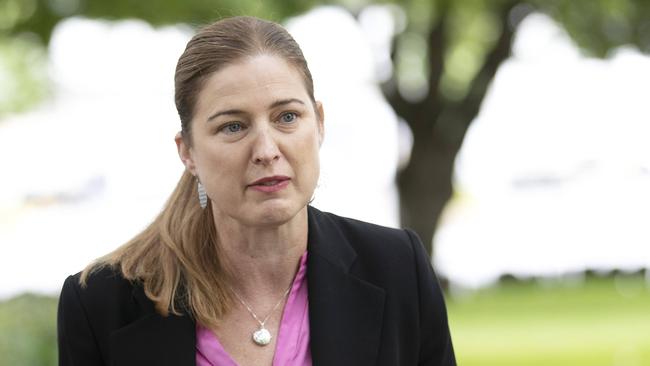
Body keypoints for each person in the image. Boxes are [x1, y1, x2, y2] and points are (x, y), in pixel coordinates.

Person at [57, 16, 456, 366]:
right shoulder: (102, 304)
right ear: (188, 152)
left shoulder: (398, 268)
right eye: (233, 126)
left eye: (287, 117)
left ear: (318, 123)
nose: (266, 151)